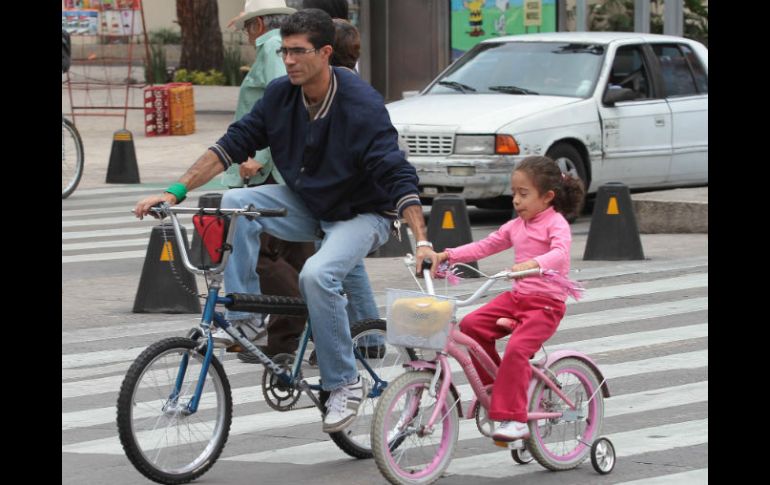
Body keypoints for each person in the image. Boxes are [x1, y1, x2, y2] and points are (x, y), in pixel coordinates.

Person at [134, 9, 437, 433]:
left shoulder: (360, 104)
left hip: (362, 213)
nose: (289, 60)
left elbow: (397, 174)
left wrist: (421, 240)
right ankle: (244, 317)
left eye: (298, 51)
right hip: (308, 202)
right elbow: (232, 144)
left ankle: (344, 383)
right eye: (284, 51)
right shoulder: (281, 95)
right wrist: (174, 191)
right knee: (231, 203)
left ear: (326, 53)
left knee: (317, 275)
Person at [435, 156, 585, 442]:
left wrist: (532, 265)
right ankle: (497, 391)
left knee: (516, 350)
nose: (516, 200)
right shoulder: (516, 225)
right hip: (517, 299)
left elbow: (560, 253)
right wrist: (448, 255)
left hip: (545, 306)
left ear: (548, 196)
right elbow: (486, 245)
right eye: (514, 193)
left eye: (524, 194)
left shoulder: (556, 224)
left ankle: (515, 420)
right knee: (471, 325)